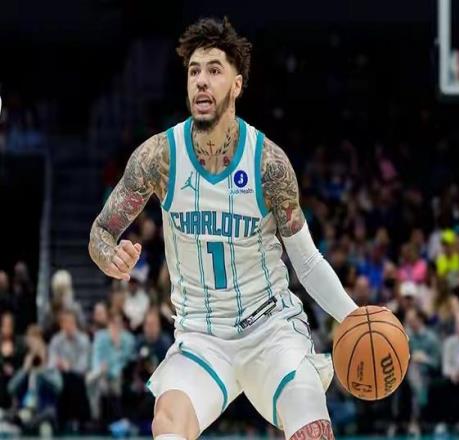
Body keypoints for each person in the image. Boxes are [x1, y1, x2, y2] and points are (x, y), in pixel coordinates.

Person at [88, 17, 358, 440]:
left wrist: (354, 317)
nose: (201, 80)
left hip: (271, 329)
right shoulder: (159, 158)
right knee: (167, 423)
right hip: (202, 336)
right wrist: (109, 257)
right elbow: (101, 232)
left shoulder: (268, 164)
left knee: (312, 427)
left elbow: (306, 262)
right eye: (194, 71)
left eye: (214, 70)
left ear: (236, 85)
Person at [47, 309, 91, 430]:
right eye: (65, 322)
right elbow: (51, 364)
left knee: (73, 379)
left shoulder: (83, 339)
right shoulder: (56, 340)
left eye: (71, 322)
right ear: (61, 324)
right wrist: (60, 365)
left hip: (78, 375)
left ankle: (66, 419)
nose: (68, 325)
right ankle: (77, 419)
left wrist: (69, 366)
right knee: (62, 380)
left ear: (75, 323)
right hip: (59, 375)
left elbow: (83, 366)